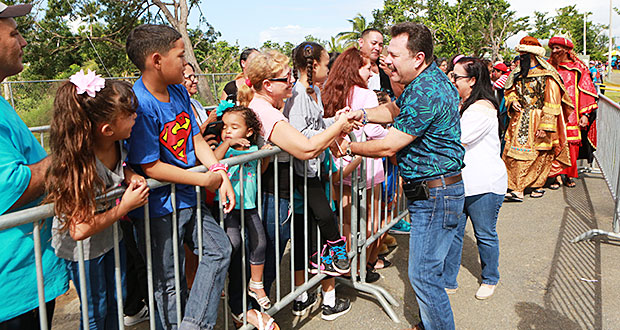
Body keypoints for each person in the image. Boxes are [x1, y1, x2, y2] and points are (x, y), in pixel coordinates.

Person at [335, 22, 465, 330]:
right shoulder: (422, 83)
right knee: (426, 273)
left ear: (418, 58)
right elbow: (394, 110)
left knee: (423, 274)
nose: (386, 59)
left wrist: (349, 146)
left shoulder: (427, 90)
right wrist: (362, 115)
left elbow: (390, 144)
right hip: (433, 193)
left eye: (393, 53)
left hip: (436, 194)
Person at [124, 24, 235, 329]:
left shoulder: (177, 91)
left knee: (220, 250)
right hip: (158, 209)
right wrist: (203, 180)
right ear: (156, 60)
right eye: (180, 55)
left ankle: (193, 323)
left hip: (188, 199)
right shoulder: (140, 104)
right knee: (168, 282)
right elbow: (150, 167)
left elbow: (195, 137)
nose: (186, 64)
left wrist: (218, 171)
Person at [237, 49, 357, 321]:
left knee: (268, 258)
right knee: (265, 260)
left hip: (278, 191)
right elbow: (305, 148)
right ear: (267, 85)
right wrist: (338, 126)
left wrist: (336, 125)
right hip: (270, 194)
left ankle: (255, 316)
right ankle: (252, 318)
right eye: (285, 78)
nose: (291, 81)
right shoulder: (266, 112)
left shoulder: (270, 108)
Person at [46, 71, 150, 329]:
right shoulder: (77, 166)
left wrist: (130, 173)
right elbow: (79, 229)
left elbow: (118, 168)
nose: (136, 117)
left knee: (117, 302)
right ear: (107, 129)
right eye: (129, 114)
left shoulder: (118, 144)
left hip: (110, 241)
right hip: (83, 252)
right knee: (96, 312)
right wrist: (123, 207)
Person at [0, 3, 69, 328]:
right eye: (14, 33)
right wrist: (77, 147)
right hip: (12, 291)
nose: (23, 41)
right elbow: (12, 186)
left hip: (30, 278)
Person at [283, 41, 353, 320]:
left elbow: (316, 126)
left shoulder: (315, 92)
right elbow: (303, 136)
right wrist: (335, 127)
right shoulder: (298, 94)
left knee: (312, 235)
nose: (329, 68)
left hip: (315, 170)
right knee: (321, 228)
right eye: (326, 64)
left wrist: (334, 121)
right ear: (313, 66)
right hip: (304, 173)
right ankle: (315, 293)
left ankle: (311, 295)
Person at [322, 46, 389, 281]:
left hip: (339, 165)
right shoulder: (366, 94)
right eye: (367, 67)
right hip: (366, 164)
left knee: (346, 223)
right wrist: (389, 134)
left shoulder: (329, 91)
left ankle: (344, 266)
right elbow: (374, 130)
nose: (372, 72)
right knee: (372, 220)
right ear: (355, 68)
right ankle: (361, 267)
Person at [443, 57, 507, 300]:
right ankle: (448, 279)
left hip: (484, 185)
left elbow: (457, 138)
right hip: (462, 182)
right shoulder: (465, 103)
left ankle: (491, 278)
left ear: (472, 80)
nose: (452, 81)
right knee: (454, 232)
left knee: (484, 233)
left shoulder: (481, 108)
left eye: (456, 77)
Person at [213, 105, 278, 329]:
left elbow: (258, 170)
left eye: (234, 127)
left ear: (249, 132)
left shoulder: (250, 150)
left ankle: (256, 283)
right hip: (227, 207)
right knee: (233, 243)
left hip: (249, 205)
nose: (227, 131)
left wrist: (265, 155)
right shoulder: (227, 150)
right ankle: (220, 281)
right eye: (224, 127)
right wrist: (227, 144)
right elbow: (213, 160)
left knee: (260, 241)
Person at [502, 36, 572, 202]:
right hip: (519, 120)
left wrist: (546, 125)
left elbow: (552, 101)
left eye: (524, 55)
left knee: (540, 154)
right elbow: (509, 91)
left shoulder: (548, 75)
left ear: (532, 56)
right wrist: (513, 101)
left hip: (539, 119)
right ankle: (516, 187)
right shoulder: (517, 74)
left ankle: (537, 185)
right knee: (514, 154)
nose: (521, 59)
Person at [547, 36, 599, 189]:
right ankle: (555, 177)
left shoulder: (578, 68)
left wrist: (585, 115)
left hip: (572, 114)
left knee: (572, 146)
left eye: (558, 48)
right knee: (553, 144)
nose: (555, 51)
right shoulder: (548, 67)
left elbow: (586, 92)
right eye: (553, 48)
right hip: (553, 112)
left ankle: (569, 175)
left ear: (566, 50)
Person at [183, 63, 214, 133]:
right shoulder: (175, 109)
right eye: (190, 77)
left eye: (194, 77)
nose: (196, 81)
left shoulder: (196, 103)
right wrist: (209, 121)